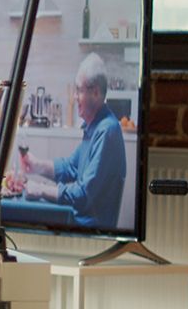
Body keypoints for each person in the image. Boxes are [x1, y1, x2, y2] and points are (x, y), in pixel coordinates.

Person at [9, 53, 126, 228]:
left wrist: (41, 190)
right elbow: (70, 166)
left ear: (95, 92)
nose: (75, 97)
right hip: (79, 219)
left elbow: (84, 195)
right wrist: (36, 165)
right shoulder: (94, 127)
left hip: (89, 229)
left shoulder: (106, 131)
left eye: (79, 90)